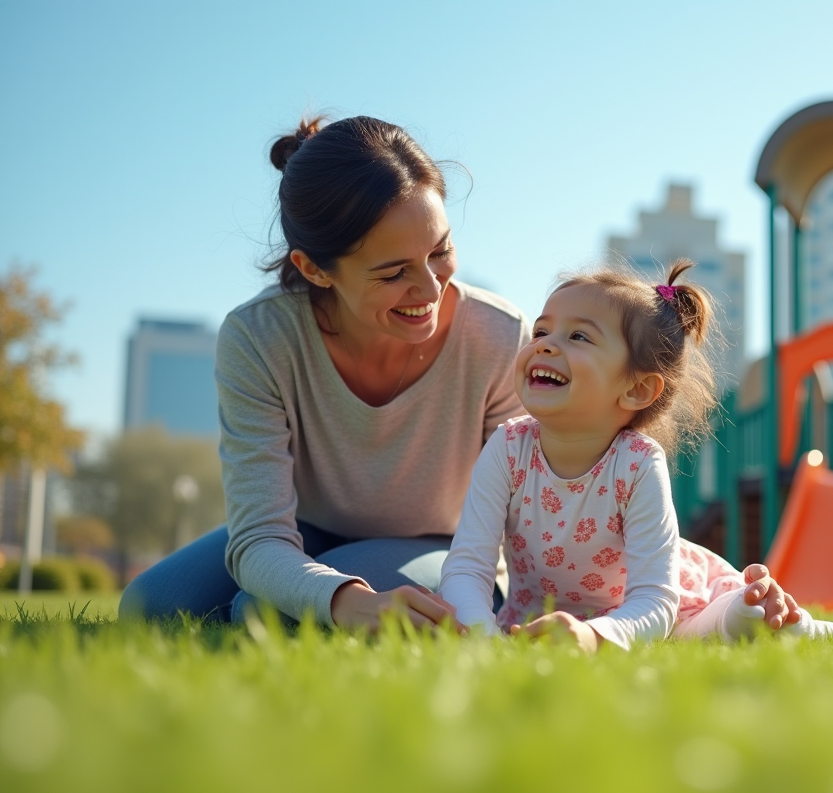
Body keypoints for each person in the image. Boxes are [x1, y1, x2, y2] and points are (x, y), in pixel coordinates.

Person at [119, 115, 527, 631]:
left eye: (440, 251)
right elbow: (259, 537)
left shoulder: (499, 336)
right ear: (314, 269)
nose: (430, 288)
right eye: (394, 272)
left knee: (263, 613)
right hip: (305, 531)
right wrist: (343, 601)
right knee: (152, 606)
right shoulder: (260, 337)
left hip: (445, 547)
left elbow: (515, 523)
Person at [439, 260, 833, 650]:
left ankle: (809, 628)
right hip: (543, 617)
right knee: (737, 624)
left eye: (578, 336)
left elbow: (657, 601)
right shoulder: (508, 448)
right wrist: (482, 636)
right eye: (541, 330)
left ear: (636, 389)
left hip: (676, 605)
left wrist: (597, 638)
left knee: (735, 618)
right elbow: (468, 566)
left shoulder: (636, 464)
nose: (545, 344)